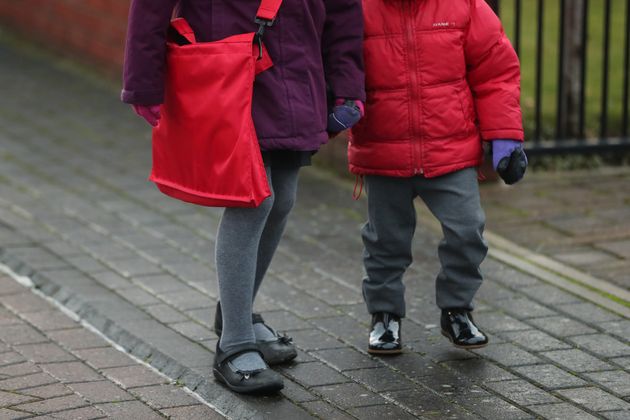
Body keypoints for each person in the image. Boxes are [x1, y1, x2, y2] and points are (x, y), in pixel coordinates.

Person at [122, 0, 365, 393]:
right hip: (228, 71)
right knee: (253, 201)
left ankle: (237, 314)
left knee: (282, 197)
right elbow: (150, 7)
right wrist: (144, 80)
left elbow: (343, 10)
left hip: (299, 73)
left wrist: (347, 86)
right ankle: (234, 344)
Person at [349, 0, 527, 355]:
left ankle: (457, 308)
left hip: (452, 149)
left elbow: (495, 71)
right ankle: (384, 315)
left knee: (467, 230)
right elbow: (338, 64)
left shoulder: (465, 5)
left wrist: (504, 135)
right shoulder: (357, 8)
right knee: (385, 241)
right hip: (384, 150)